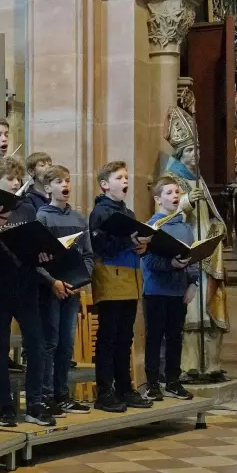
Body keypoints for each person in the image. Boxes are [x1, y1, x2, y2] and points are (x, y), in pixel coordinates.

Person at [0, 155, 50, 427]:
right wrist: (5, 244)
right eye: (9, 178)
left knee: (36, 344)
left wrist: (42, 253)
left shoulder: (26, 209)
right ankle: (5, 406)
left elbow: (34, 241)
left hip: (26, 285)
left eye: (17, 179)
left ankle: (34, 403)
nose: (15, 183)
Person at [88, 160, 149, 413]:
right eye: (119, 177)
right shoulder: (101, 213)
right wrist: (128, 240)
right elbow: (103, 247)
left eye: (126, 177)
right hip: (110, 277)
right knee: (109, 336)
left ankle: (125, 387)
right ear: (105, 185)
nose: (126, 181)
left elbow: (128, 242)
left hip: (130, 277)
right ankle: (105, 391)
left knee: (126, 337)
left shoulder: (128, 213)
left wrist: (142, 245)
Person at [34, 165, 92, 417]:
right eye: (58, 181)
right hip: (51, 290)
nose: (64, 185)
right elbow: (36, 258)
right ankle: (46, 395)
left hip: (72, 289)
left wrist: (78, 281)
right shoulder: (42, 217)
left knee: (67, 345)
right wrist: (52, 281)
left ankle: (62, 393)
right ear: (48, 188)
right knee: (51, 342)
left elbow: (88, 255)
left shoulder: (79, 219)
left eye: (67, 180)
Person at [141, 177, 198, 404]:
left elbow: (194, 257)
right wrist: (171, 265)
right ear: (158, 198)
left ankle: (173, 381)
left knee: (176, 338)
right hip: (156, 291)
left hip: (179, 291)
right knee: (155, 338)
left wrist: (193, 283)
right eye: (169, 193)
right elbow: (148, 261)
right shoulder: (152, 226)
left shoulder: (184, 227)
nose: (175, 196)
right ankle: (153, 383)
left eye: (177, 192)